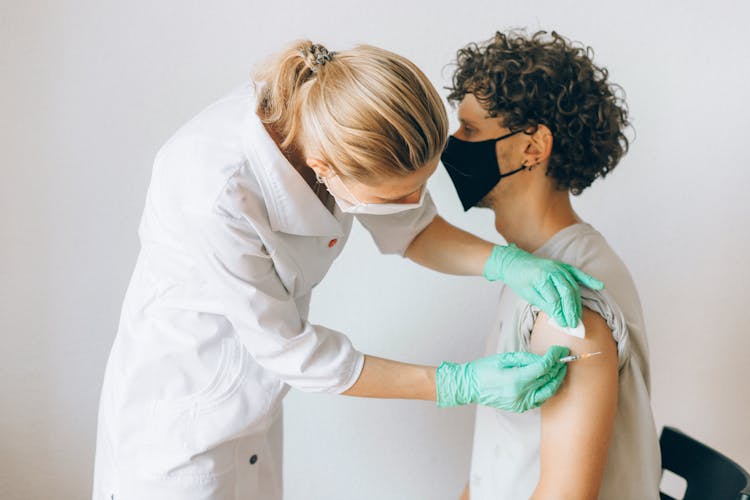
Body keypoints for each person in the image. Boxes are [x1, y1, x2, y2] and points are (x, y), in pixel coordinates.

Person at [92, 40, 600, 500]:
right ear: (327, 170)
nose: (413, 203)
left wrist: (507, 263)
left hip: (252, 417)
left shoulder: (334, 110)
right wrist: (456, 383)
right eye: (396, 195)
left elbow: (413, 229)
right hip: (180, 435)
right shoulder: (215, 189)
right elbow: (293, 352)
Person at [441, 31, 661, 500]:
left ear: (533, 147)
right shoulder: (529, 267)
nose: (452, 145)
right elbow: (496, 464)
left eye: (470, 130)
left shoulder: (567, 308)